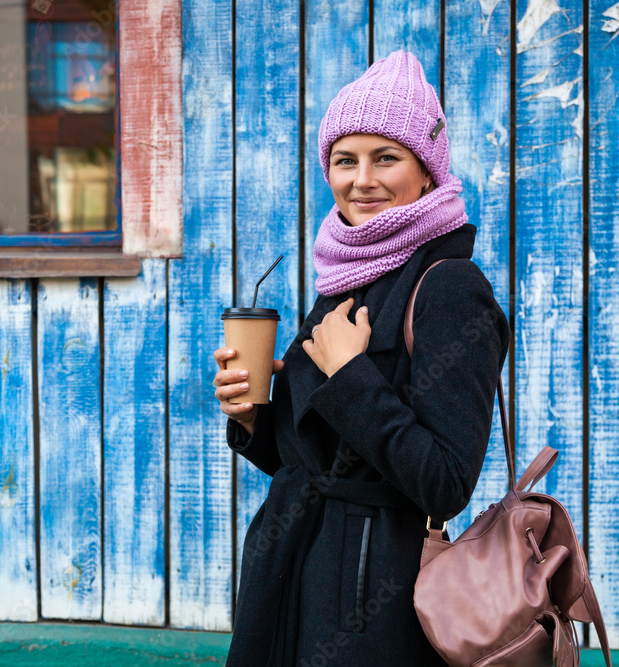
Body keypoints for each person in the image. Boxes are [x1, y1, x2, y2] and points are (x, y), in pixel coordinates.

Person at [212, 51, 510, 666]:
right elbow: (312, 462)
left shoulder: (451, 288)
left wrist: (349, 378)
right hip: (287, 573)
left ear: (426, 171)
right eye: (345, 160)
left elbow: (446, 482)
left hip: (373, 604)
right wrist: (252, 411)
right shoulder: (345, 275)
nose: (362, 179)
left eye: (386, 158)